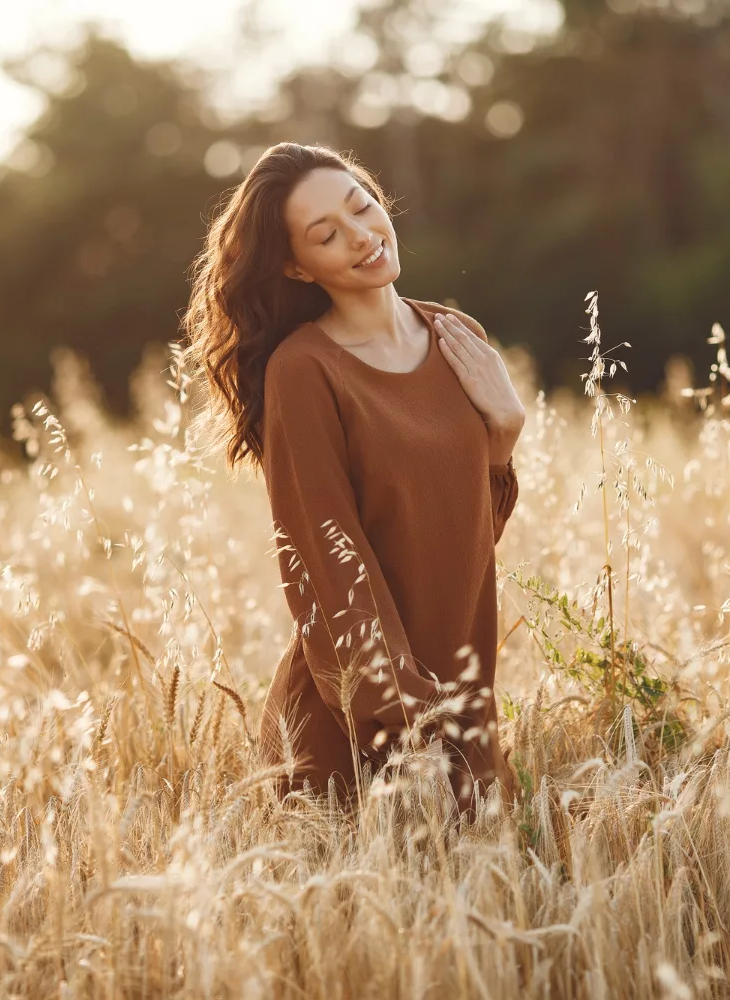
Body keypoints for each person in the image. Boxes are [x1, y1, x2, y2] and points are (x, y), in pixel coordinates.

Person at [183, 142, 525, 820]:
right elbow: (326, 561)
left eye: (361, 207)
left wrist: (505, 435)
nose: (362, 235)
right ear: (295, 266)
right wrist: (410, 719)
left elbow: (463, 541)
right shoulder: (303, 371)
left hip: (462, 711)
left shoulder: (458, 336)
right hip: (357, 726)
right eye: (326, 235)